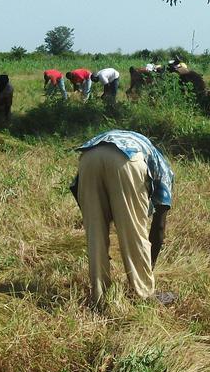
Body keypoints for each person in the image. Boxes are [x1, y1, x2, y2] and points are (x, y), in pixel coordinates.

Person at [70, 130, 174, 309]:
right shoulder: (165, 172)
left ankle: (99, 298)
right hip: (127, 160)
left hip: (89, 158)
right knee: (133, 233)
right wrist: (147, 269)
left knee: (95, 235)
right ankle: (143, 295)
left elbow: (77, 188)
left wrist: (96, 221)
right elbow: (159, 227)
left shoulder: (145, 150)